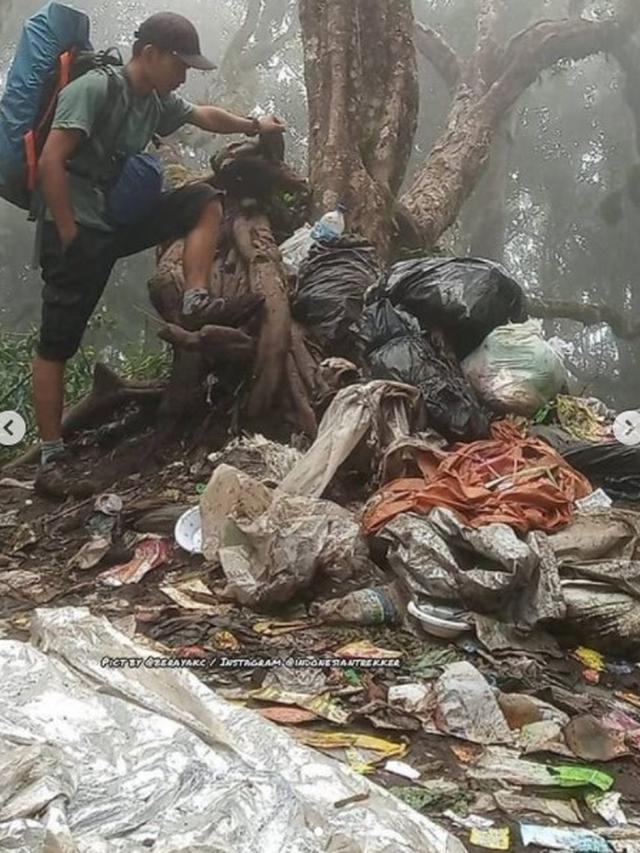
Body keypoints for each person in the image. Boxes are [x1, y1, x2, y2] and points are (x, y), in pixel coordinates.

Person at [33, 12, 284, 497]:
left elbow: (202, 115)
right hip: (77, 228)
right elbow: (50, 160)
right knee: (57, 342)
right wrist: (68, 234)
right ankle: (49, 456)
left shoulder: (154, 101)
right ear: (149, 53)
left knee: (202, 201)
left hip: (114, 221)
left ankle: (196, 299)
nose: (185, 73)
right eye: (181, 63)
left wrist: (255, 124)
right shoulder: (95, 90)